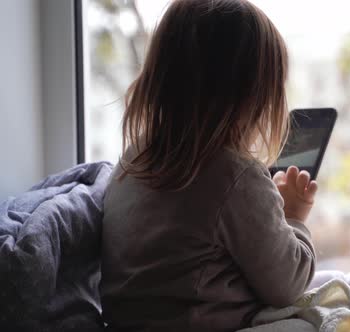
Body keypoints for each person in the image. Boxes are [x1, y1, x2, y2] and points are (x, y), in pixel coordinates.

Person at [99, 1, 317, 331]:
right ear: (254, 97)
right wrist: (293, 217)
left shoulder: (134, 158)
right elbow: (287, 285)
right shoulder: (238, 177)